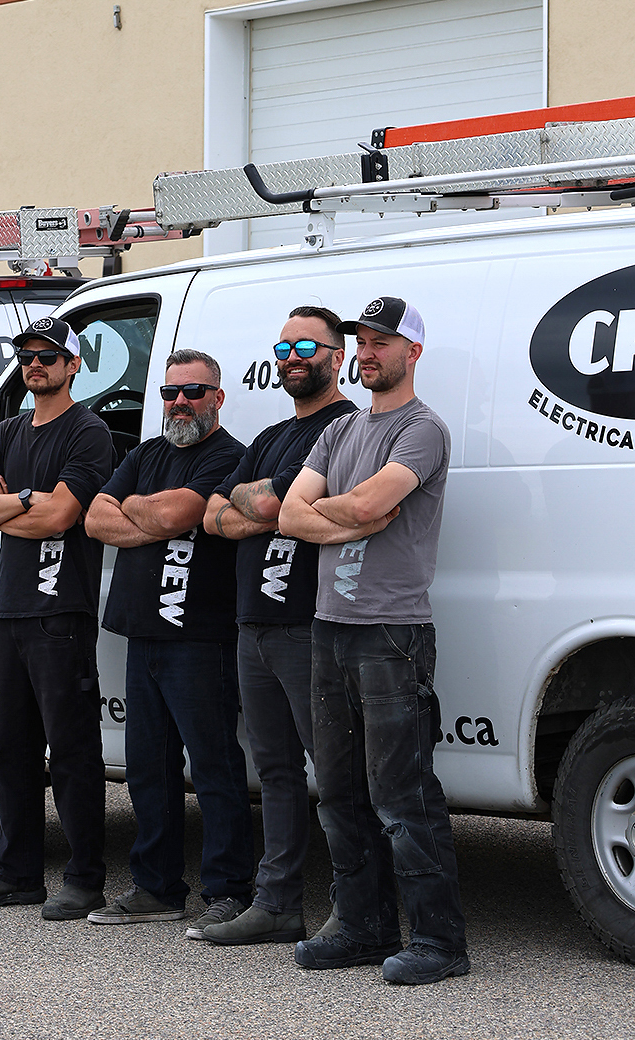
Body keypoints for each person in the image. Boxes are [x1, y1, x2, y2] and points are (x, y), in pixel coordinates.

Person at [279, 296, 468, 985]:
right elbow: (291, 516)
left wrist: (339, 513)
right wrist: (355, 521)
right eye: (361, 342)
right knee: (338, 793)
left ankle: (440, 942)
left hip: (392, 634)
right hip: (330, 627)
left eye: (382, 343)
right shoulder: (340, 430)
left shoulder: (424, 429)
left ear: (412, 352)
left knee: (402, 794)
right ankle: (363, 927)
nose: (367, 353)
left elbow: (357, 503)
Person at [199, 305, 356, 945]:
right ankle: (278, 904)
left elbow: (271, 505)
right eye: (283, 348)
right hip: (253, 624)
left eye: (305, 348)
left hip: (307, 623)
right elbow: (215, 516)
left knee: (337, 772)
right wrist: (262, 504)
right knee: (275, 771)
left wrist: (262, 503)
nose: (291, 359)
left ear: (337, 356)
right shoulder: (268, 437)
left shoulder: (345, 429)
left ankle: (355, 906)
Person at [83, 349, 253, 936]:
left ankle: (229, 890)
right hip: (143, 634)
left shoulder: (230, 456)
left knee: (214, 766)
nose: (179, 402)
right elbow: (94, 519)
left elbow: (181, 513)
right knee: (147, 768)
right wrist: (151, 516)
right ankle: (157, 888)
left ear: (217, 398)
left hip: (201, 637)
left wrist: (139, 511)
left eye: (193, 392)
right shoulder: (144, 454)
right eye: (169, 392)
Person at [0, 315, 115, 921]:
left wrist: (11, 503)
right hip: (11, 609)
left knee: (72, 751)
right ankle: (16, 874)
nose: (35, 364)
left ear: (73, 365)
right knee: (12, 751)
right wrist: (25, 500)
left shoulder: (88, 433)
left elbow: (61, 517)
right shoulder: (8, 431)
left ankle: (84, 879)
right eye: (26, 355)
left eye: (48, 355)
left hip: (60, 612)